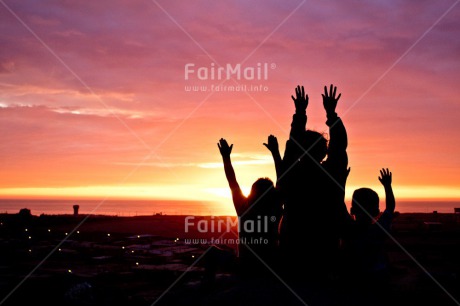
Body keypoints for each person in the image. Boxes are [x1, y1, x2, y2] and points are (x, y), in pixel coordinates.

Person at [266, 85, 349, 278]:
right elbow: (339, 147)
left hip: (293, 254)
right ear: (324, 151)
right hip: (325, 254)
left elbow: (293, 145)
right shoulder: (331, 173)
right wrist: (331, 114)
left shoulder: (291, 173)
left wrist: (300, 113)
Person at [217, 138, 282, 277]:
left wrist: (226, 157)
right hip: (272, 265)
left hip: (246, 266)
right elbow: (282, 178)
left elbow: (232, 181)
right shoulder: (275, 207)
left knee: (212, 253)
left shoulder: (244, 208)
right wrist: (275, 153)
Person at [344, 168, 396, 278]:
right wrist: (387, 186)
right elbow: (390, 208)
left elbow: (338, 203)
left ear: (352, 210)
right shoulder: (378, 230)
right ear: (376, 212)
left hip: (353, 277)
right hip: (377, 277)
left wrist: (342, 180)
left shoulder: (347, 229)